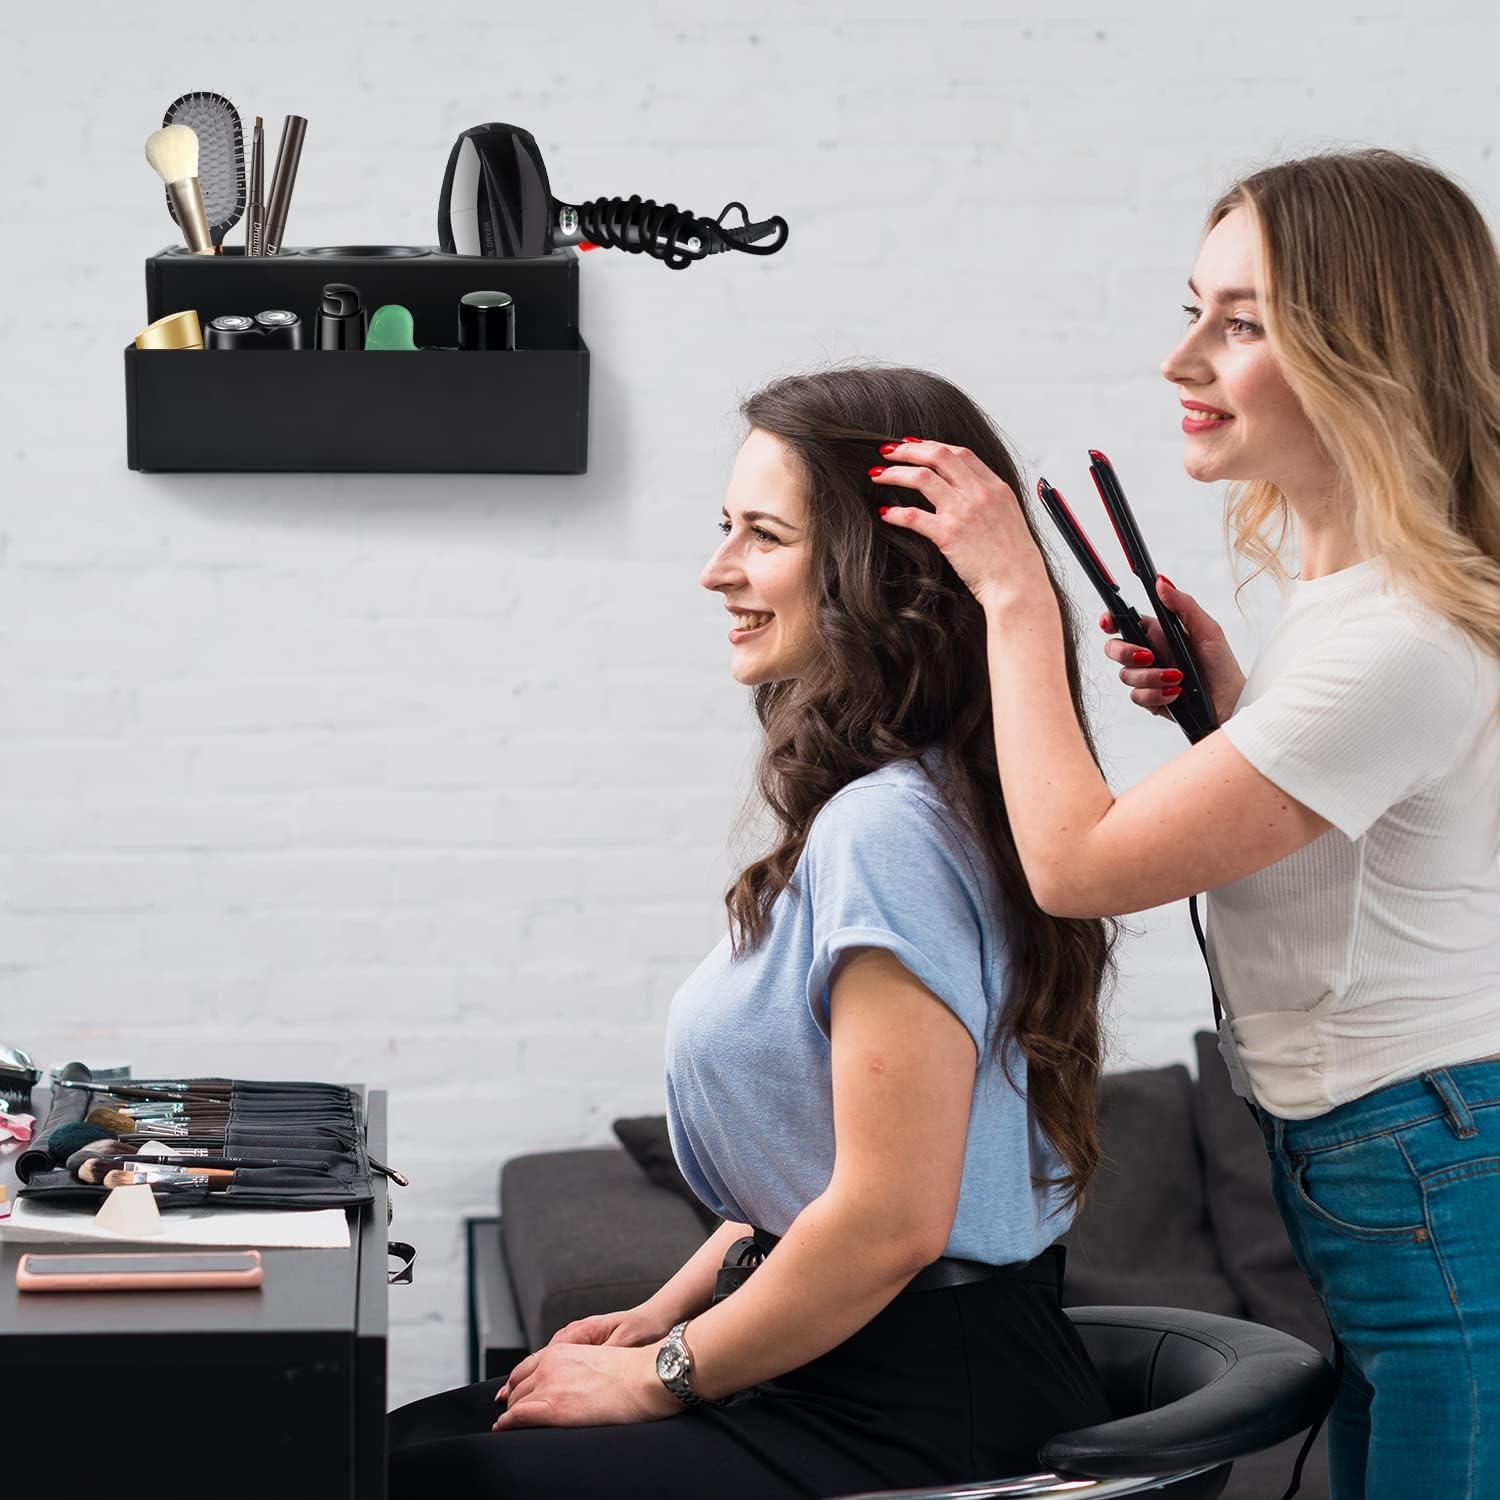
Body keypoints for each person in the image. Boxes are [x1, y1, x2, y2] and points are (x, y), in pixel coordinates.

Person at [871, 148, 1500, 1500]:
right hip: (1389, 1139)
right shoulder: (1360, 608)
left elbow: (1078, 867)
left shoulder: (1395, 636)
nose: (1182, 362)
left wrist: (1017, 603)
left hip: (1426, 1146)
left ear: (1368, 350)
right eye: (1193, 309)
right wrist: (1226, 715)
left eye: (1242, 322)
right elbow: (1354, 853)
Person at [387, 365, 1119, 1497]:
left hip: (913, 1401)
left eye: (762, 536)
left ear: (875, 574)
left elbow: (887, 1223)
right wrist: (660, 1317)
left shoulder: (892, 831)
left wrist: (659, 1378)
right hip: (846, 1355)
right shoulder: (915, 805)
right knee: (413, 1445)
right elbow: (808, 1182)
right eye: (725, 527)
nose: (716, 570)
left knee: (438, 1477)